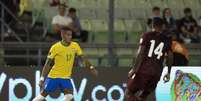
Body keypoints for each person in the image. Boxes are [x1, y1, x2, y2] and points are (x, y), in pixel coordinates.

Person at [32, 27, 98, 101]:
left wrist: (91, 67)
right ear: (62, 35)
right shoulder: (55, 47)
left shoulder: (75, 46)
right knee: (42, 96)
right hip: (54, 77)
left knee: (69, 96)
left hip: (66, 78)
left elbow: (83, 58)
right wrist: (42, 79)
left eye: (71, 35)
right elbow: (47, 64)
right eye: (68, 35)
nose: (70, 37)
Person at [125, 18, 173, 101]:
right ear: (162, 26)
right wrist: (168, 72)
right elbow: (170, 56)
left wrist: (134, 69)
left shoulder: (147, 35)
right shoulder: (167, 39)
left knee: (128, 93)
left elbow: (140, 53)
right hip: (157, 74)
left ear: (152, 25)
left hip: (144, 71)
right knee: (143, 97)